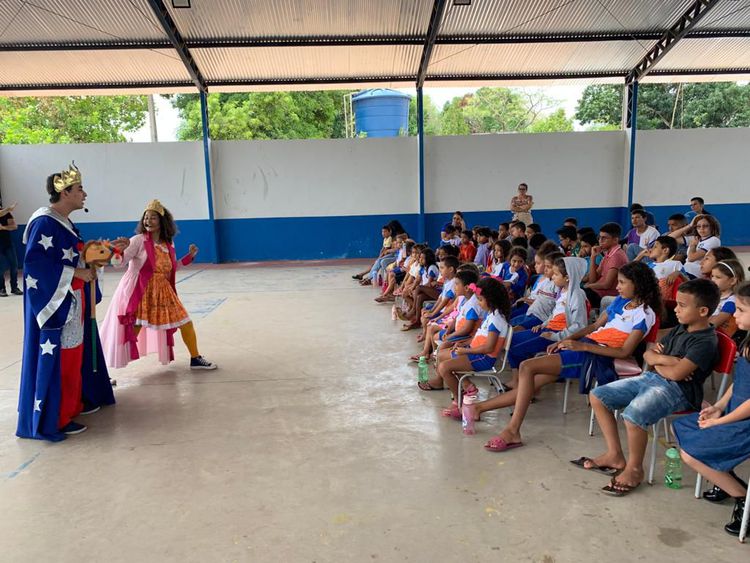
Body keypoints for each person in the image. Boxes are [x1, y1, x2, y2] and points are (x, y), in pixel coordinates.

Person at [479, 261, 660, 452]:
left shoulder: (646, 314)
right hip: (586, 346)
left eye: (622, 283)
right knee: (530, 382)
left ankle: (512, 430)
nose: (617, 287)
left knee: (527, 367)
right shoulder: (621, 302)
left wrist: (580, 345)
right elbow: (593, 327)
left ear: (637, 284)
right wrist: (565, 340)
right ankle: (479, 409)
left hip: (596, 356)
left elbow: (624, 352)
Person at [578, 278, 719, 496]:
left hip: (680, 391)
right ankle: (615, 455)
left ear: (702, 310)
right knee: (598, 395)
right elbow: (648, 354)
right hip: (654, 379)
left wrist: (661, 361)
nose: (676, 310)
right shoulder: (681, 328)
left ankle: (634, 469)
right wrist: (668, 361)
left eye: (682, 305)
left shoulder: (705, 342)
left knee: (633, 415)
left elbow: (675, 375)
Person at [17, 163, 118, 441]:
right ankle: (57, 416)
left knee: (73, 357)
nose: (84, 194)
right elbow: (36, 266)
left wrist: (102, 251)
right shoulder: (44, 222)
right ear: (65, 193)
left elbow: (73, 256)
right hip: (59, 305)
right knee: (64, 359)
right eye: (79, 189)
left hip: (72, 302)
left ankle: (71, 407)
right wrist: (77, 272)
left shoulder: (63, 222)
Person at [100, 199, 217, 371]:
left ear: (162, 221)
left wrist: (189, 257)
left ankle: (195, 358)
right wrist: (118, 251)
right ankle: (108, 366)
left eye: (153, 217)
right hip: (141, 290)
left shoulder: (168, 243)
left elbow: (170, 267)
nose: (148, 221)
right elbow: (119, 263)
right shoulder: (138, 240)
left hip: (163, 290)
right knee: (134, 327)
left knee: (185, 322)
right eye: (146, 218)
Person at [673, 281, 750, 536]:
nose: (733, 315)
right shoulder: (747, 341)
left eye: (740, 310)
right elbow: (740, 383)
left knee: (692, 453)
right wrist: (718, 407)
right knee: (686, 425)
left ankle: (742, 497)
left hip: (745, 422)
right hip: (735, 414)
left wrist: (721, 422)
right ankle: (727, 481)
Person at [432, 278, 511, 413]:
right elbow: (480, 337)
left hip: (483, 358)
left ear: (491, 299)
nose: (478, 303)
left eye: (480, 300)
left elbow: (489, 348)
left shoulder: (497, 320)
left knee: (444, 367)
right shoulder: (491, 314)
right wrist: (465, 343)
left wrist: (465, 351)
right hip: (475, 353)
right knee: (441, 355)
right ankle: (467, 386)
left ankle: (459, 402)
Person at [584, 222, 628, 308]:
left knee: (579, 295)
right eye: (599, 237)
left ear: (615, 240)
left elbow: (606, 285)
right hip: (596, 291)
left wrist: (588, 286)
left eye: (604, 238)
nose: (600, 241)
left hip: (606, 295)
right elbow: (593, 279)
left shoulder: (617, 256)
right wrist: (593, 257)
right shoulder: (608, 254)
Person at [671, 214, 721, 279]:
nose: (701, 229)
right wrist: (690, 225)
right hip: (685, 271)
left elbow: (691, 258)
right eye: (698, 226)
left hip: (695, 274)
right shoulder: (696, 239)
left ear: (712, 227)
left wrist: (692, 246)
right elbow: (670, 238)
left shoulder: (714, 240)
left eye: (705, 226)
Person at [709, 260, 745, 338]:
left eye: (718, 277)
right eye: (712, 276)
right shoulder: (714, 296)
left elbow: (714, 323)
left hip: (717, 338)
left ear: (732, 281)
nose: (713, 280)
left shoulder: (732, 300)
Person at [0, 200, 21, 296]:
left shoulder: (6, 214)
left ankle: (14, 287)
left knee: (14, 265)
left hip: (7, 243)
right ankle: (1, 289)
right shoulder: (4, 212)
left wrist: (3, 228)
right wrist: (9, 208)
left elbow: (14, 226)